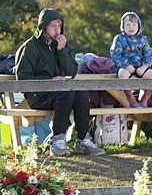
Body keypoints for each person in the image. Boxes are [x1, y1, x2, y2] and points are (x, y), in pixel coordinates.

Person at [13, 9, 105, 156]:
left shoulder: (64, 45)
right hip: (37, 94)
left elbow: (72, 73)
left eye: (59, 26)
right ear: (43, 27)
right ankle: (57, 140)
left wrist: (62, 51)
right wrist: (50, 81)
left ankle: (83, 140)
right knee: (66, 94)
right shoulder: (29, 47)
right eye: (53, 26)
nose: (57, 30)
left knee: (81, 93)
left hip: (60, 92)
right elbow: (23, 79)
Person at [109, 12, 152, 107]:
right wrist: (127, 65)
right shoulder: (119, 38)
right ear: (123, 26)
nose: (131, 27)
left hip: (141, 67)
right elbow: (115, 54)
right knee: (122, 74)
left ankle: (145, 99)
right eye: (128, 25)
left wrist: (144, 67)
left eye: (134, 24)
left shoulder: (142, 39)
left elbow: (149, 55)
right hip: (126, 66)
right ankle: (131, 98)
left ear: (138, 26)